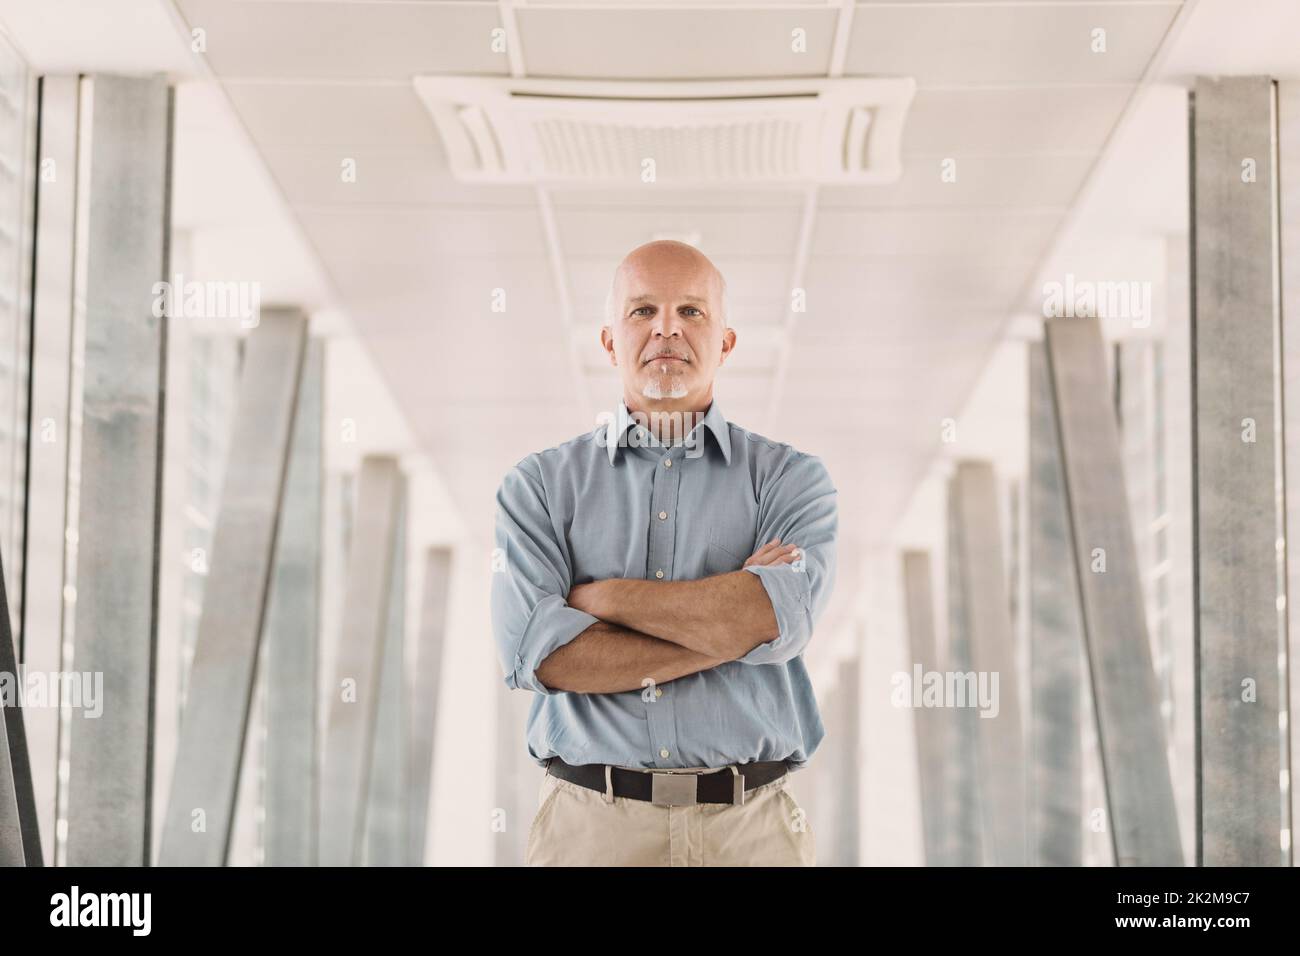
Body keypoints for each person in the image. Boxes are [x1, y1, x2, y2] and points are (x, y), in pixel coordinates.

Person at [490, 239, 837, 866]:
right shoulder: (539, 486)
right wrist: (727, 625)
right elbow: (540, 655)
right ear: (609, 341)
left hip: (751, 833)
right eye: (643, 310)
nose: (667, 328)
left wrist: (609, 599)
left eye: (692, 312)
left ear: (726, 342)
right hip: (590, 831)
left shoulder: (791, 481)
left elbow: (779, 621)